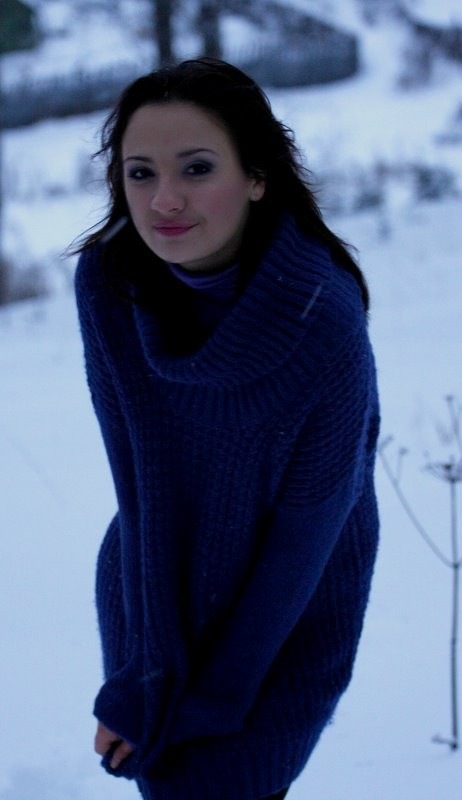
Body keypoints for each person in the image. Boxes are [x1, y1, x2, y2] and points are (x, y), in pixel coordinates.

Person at [74, 57, 380, 800]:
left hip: (285, 610)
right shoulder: (110, 284)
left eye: (197, 168)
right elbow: (138, 483)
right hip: (155, 576)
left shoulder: (321, 323)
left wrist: (207, 703)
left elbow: (305, 538)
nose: (164, 200)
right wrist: (147, 676)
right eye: (140, 173)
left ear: (257, 176)